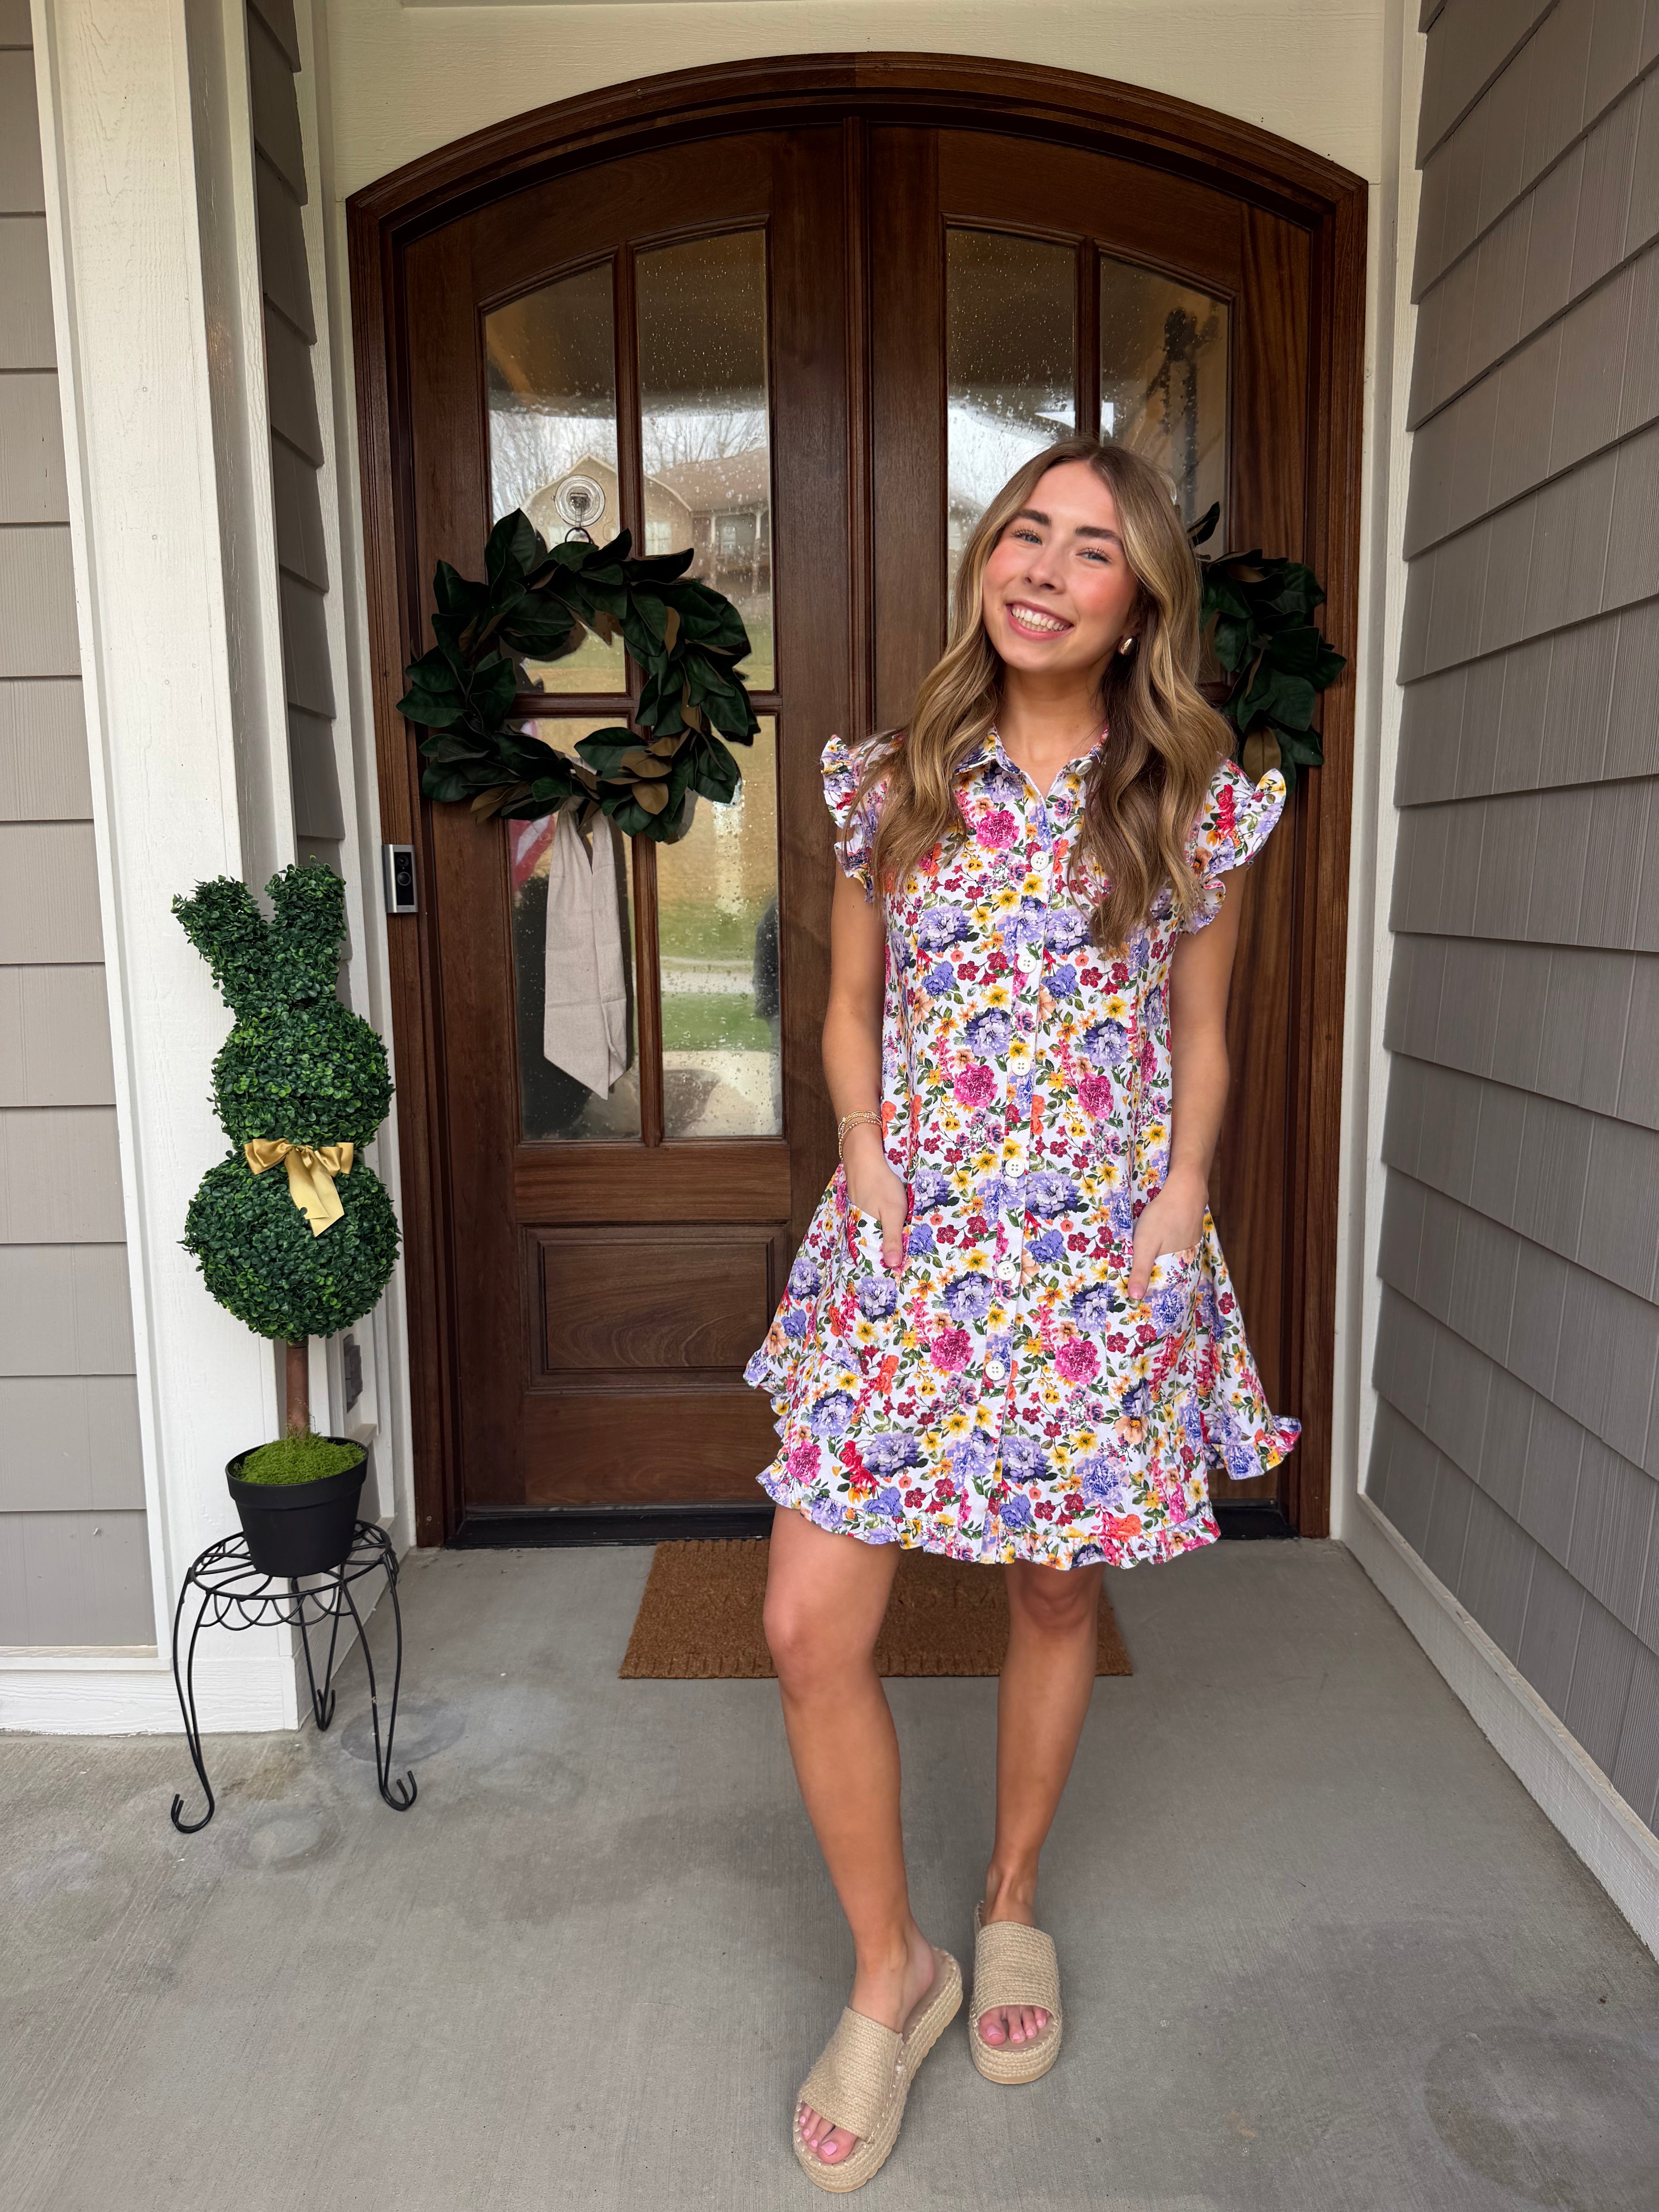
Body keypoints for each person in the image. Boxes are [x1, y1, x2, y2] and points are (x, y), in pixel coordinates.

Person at [745, 435, 1299, 2190]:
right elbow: (850, 1003)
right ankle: (888, 1961)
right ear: (988, 560)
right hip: (908, 1247)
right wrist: (863, 1147)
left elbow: (1201, 1032)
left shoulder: (1192, 794)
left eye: (1092, 548)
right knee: (805, 1620)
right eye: (1024, 533)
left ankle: (1007, 1901)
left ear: (1144, 603)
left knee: (1059, 1580)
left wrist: (1185, 1193)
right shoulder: (893, 775)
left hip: (1092, 1256)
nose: (1043, 568)